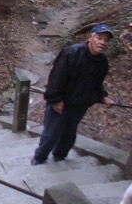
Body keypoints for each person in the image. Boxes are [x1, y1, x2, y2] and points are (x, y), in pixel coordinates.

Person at [31, 24, 115, 166]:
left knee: (69, 135)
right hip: (61, 102)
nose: (102, 42)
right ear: (90, 38)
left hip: (79, 104)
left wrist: (103, 96)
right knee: (51, 133)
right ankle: (39, 158)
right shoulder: (72, 53)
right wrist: (56, 100)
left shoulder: (102, 62)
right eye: (99, 38)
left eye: (106, 40)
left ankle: (60, 155)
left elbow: (97, 83)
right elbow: (56, 77)